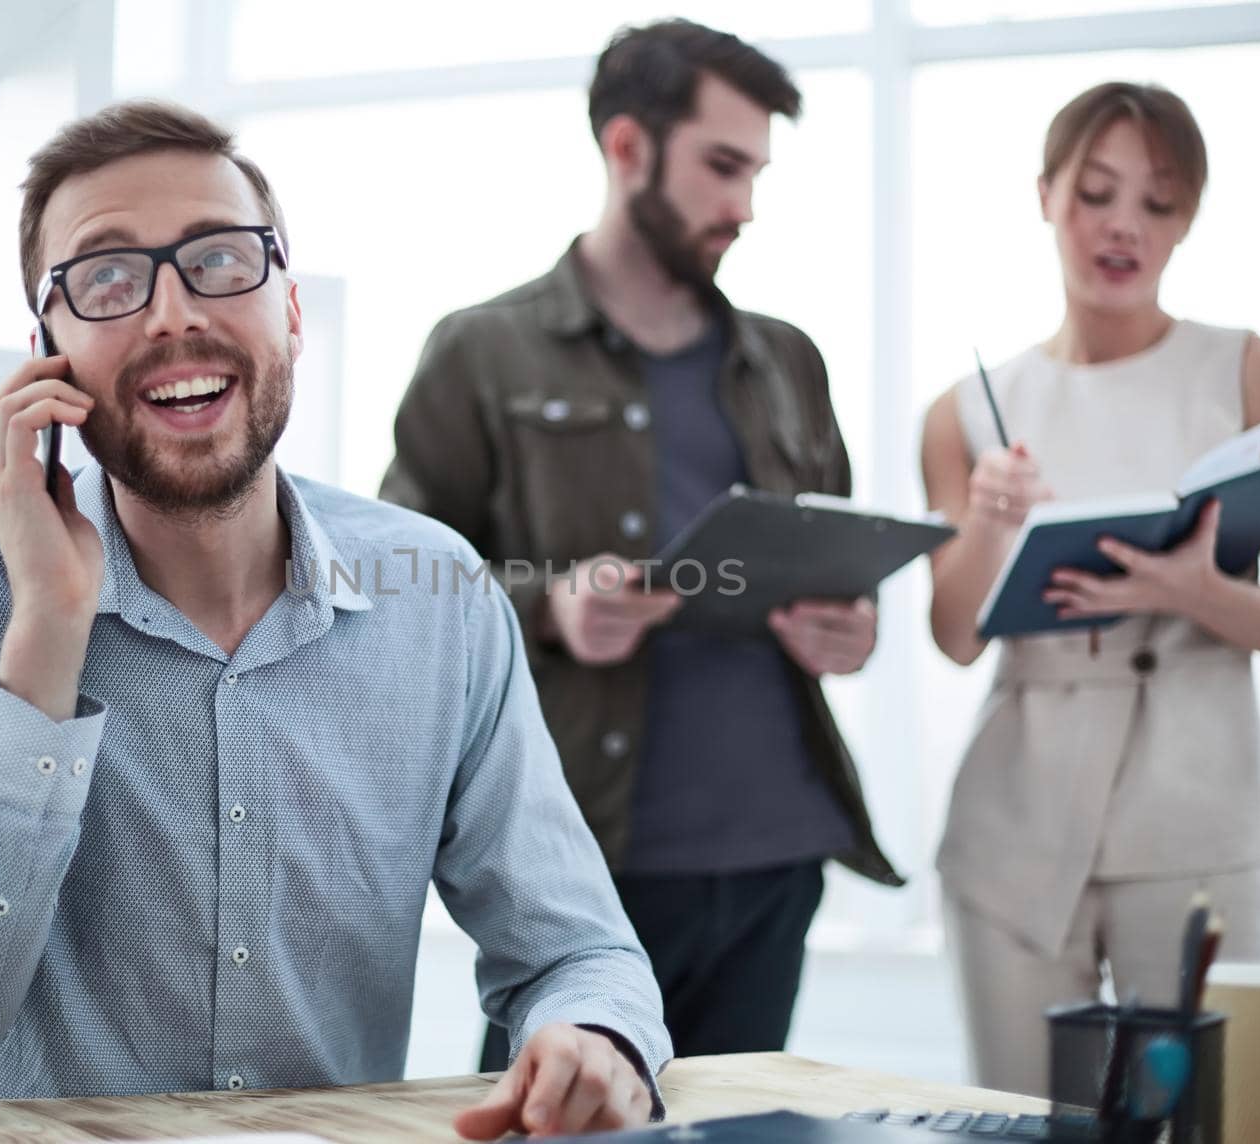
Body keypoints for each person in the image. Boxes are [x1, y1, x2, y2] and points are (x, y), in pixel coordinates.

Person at [0, 99, 670, 1135]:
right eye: (109, 279)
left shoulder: (437, 598)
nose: (174, 314)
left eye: (221, 260)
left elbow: (578, 948)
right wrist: (45, 626)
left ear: (293, 315)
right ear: (47, 353)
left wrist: (595, 1035)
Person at [379, 19, 902, 1069]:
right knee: (546, 1125)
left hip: (778, 854)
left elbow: (837, 555)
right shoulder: (481, 349)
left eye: (755, 171)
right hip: (585, 863)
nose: (743, 205)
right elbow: (405, 580)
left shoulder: (787, 359)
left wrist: (848, 628)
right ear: (626, 148)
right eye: (721, 166)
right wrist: (551, 603)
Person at [921, 81, 1260, 1097]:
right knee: (1016, 1118)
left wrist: (1195, 591)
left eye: (1158, 201)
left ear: (1187, 220)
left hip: (1197, 816)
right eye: (1095, 192)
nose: (1122, 226)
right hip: (1011, 823)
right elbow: (952, 634)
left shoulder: (1252, 372)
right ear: (1044, 195)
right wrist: (987, 521)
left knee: (1200, 1120)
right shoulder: (966, 409)